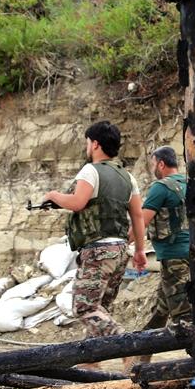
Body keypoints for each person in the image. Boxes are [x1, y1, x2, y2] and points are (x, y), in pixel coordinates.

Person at [43, 121, 147, 338]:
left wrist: (53, 196)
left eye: (87, 142)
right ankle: (92, 363)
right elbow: (137, 216)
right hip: (119, 251)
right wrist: (139, 251)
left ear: (95, 144)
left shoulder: (90, 171)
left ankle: (125, 344)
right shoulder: (128, 178)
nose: (87, 147)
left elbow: (78, 202)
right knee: (100, 309)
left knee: (85, 307)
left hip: (98, 251)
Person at [139, 146, 191, 330]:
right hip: (193, 253)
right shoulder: (190, 183)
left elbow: (141, 222)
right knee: (161, 309)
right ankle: (143, 353)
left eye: (153, 164)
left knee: (183, 317)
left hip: (173, 256)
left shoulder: (160, 188)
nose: (153, 168)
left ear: (161, 164)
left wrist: (127, 245)